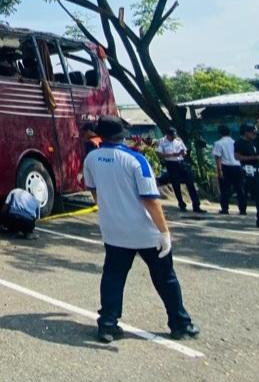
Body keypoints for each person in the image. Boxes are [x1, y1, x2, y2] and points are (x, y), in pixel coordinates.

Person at [83, 115, 199, 344]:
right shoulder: (136, 160)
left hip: (114, 230)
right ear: (122, 135)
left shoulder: (91, 159)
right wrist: (164, 232)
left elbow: (94, 191)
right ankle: (180, 324)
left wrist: (109, 211)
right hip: (145, 232)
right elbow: (150, 200)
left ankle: (107, 324)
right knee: (165, 278)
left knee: (113, 277)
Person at [156, 127, 204, 213]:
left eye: (174, 135)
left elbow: (184, 151)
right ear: (167, 135)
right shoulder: (162, 141)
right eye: (172, 136)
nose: (173, 137)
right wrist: (171, 155)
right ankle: (181, 204)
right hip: (171, 164)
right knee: (176, 184)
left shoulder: (178, 140)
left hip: (181, 163)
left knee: (190, 183)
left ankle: (196, 205)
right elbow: (159, 154)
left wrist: (182, 153)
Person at [212, 125, 247, 215]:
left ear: (219, 133)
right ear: (229, 133)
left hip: (226, 167)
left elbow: (218, 157)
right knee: (240, 189)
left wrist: (219, 170)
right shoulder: (235, 142)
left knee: (225, 189)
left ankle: (225, 208)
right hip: (237, 166)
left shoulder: (218, 143)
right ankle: (243, 209)